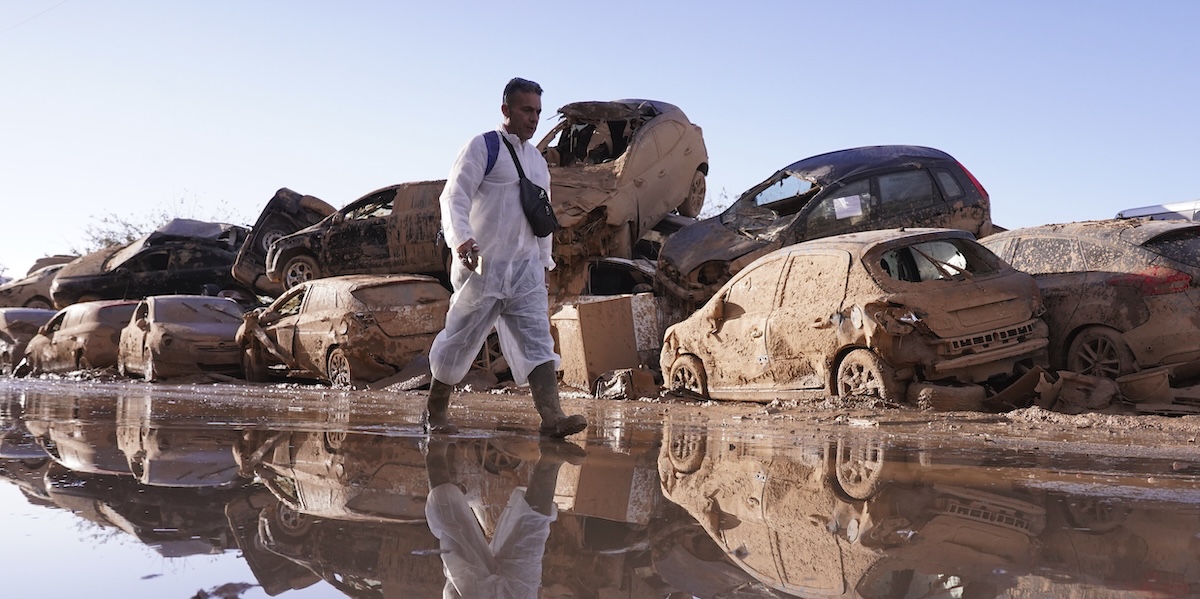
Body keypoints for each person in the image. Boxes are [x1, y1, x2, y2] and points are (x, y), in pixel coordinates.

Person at [425, 77, 587, 438]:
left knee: (538, 339)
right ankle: (435, 411)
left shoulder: (537, 162)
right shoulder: (484, 147)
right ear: (506, 110)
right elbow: (454, 197)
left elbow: (541, 217)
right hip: (482, 265)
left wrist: (544, 263)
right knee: (461, 338)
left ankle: (552, 417)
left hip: (525, 270)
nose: (533, 118)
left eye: (538, 112)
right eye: (526, 110)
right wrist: (461, 240)